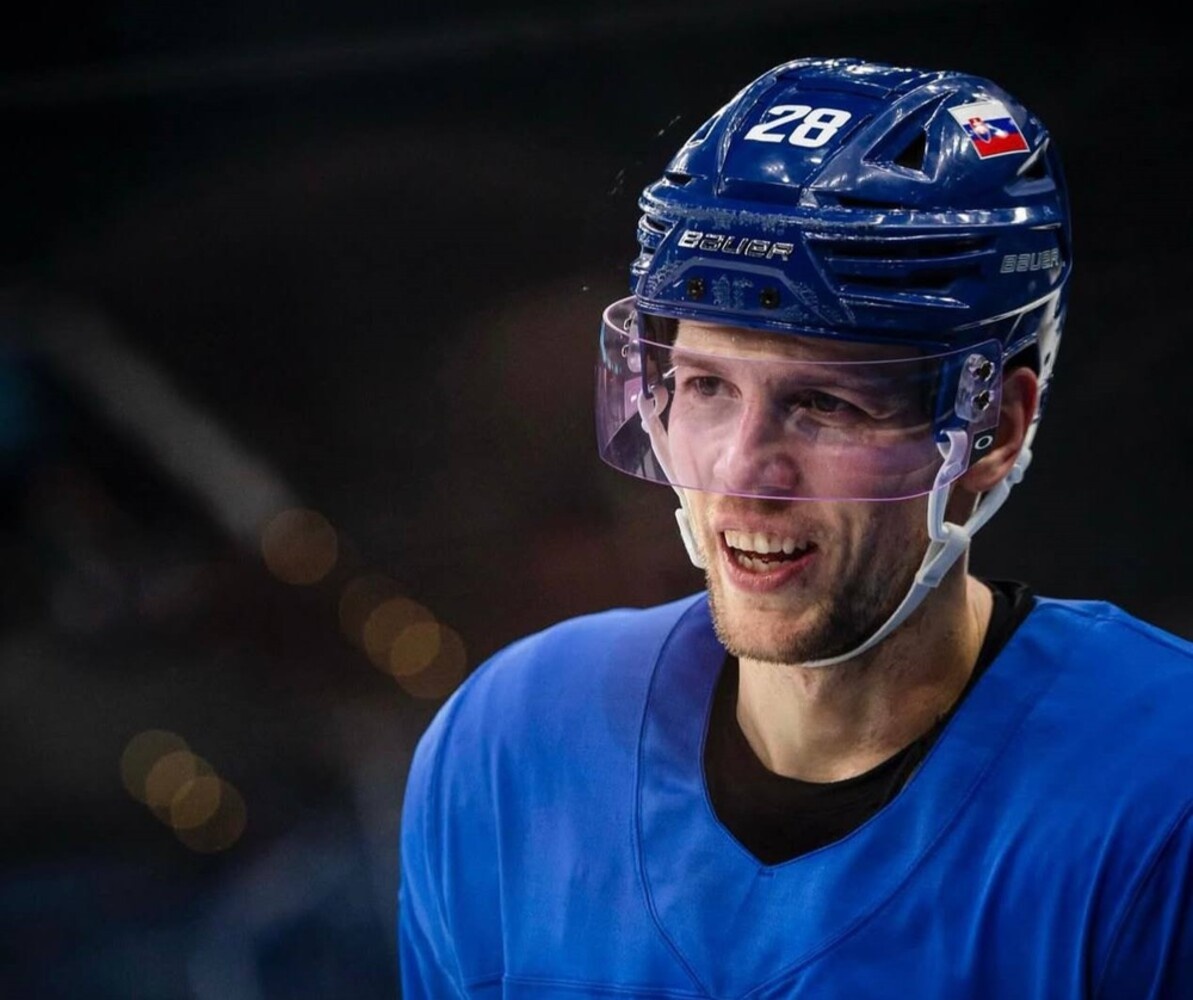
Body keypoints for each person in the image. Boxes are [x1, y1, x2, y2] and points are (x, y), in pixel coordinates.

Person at [397, 56, 1193, 998]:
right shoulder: (512, 744)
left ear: (995, 430)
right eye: (706, 387)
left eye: (825, 404)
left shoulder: (1160, 789)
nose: (741, 473)